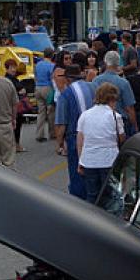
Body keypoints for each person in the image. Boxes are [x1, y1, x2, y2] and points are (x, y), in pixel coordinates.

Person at [77, 83, 126, 203]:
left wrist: (80, 160)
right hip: (109, 161)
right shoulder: (115, 116)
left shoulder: (85, 115)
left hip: (89, 161)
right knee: (110, 195)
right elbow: (122, 139)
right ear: (113, 99)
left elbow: (80, 141)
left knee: (92, 194)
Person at [55, 64, 98, 199]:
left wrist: (60, 143)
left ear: (67, 79)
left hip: (74, 136)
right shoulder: (93, 87)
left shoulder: (66, 95)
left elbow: (61, 123)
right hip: (95, 133)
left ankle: (80, 201)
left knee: (77, 172)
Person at [93, 51, 138, 136]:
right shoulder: (123, 83)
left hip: (100, 121)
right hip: (120, 122)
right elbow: (130, 108)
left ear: (105, 62)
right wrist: (135, 126)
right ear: (118, 63)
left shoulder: (96, 81)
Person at [4, 58, 28, 153]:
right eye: (11, 67)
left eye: (14, 67)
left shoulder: (11, 78)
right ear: (6, 69)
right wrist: (21, 91)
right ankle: (16, 145)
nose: (13, 69)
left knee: (15, 126)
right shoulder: (9, 79)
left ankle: (14, 145)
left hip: (13, 105)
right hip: (14, 106)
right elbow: (21, 90)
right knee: (16, 126)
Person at [33, 47, 56, 142]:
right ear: (52, 55)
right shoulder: (51, 66)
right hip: (48, 88)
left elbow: (35, 76)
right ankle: (52, 133)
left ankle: (39, 134)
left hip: (38, 88)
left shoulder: (38, 64)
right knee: (51, 111)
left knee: (41, 112)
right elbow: (52, 79)